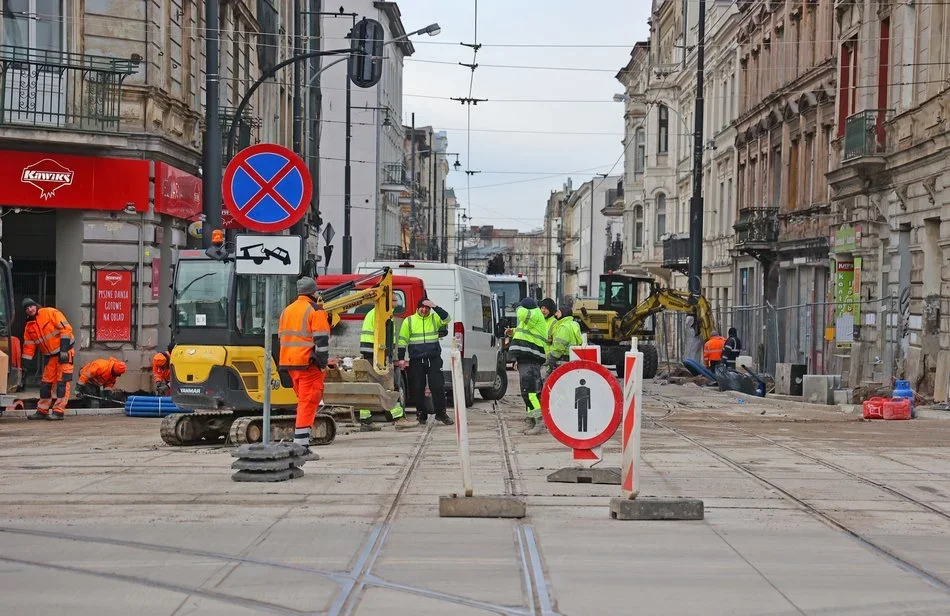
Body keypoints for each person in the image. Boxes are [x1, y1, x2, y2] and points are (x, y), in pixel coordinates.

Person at [278, 277, 331, 455]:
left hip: (290, 364)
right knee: (308, 403)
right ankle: (301, 446)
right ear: (314, 292)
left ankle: (302, 441)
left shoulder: (287, 310)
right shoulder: (315, 310)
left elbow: (282, 336)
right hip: (308, 364)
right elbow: (321, 341)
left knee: (303, 402)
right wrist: (323, 363)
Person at [397, 298, 454, 426]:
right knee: (417, 387)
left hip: (433, 359)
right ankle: (421, 414)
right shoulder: (409, 321)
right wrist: (401, 358)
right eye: (422, 307)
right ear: (417, 308)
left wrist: (435, 306)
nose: (424, 310)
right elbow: (402, 341)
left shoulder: (434, 319)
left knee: (438, 386)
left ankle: (441, 413)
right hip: (417, 360)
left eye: (427, 308)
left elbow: (447, 318)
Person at [358, 307, 414, 431]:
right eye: (394, 300)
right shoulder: (382, 313)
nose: (396, 303)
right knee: (387, 386)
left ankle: (366, 420)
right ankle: (398, 418)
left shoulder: (375, 312)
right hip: (377, 354)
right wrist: (389, 356)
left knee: (369, 387)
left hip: (372, 353)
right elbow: (383, 336)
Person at [22, 298, 75, 420]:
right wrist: (26, 363)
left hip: (65, 353)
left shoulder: (50, 313)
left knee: (62, 383)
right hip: (51, 357)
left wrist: (63, 349)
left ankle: (58, 411)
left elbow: (66, 329)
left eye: (31, 306)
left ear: (35, 305)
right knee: (46, 384)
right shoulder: (29, 327)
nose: (30, 309)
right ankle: (42, 410)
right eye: (27, 308)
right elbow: (29, 346)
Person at [506, 297, 549, 435]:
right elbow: (523, 330)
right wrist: (512, 332)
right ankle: (531, 421)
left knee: (531, 392)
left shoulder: (535, 313)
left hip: (532, 358)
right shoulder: (531, 318)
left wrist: (518, 306)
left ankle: (539, 422)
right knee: (528, 391)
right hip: (526, 358)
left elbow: (522, 315)